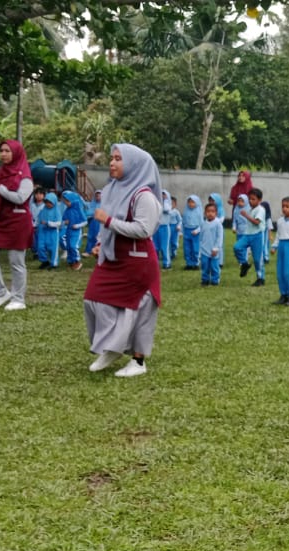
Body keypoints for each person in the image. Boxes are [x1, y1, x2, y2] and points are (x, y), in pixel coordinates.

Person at [84, 143, 164, 378]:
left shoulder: (144, 196)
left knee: (137, 310)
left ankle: (137, 362)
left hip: (137, 262)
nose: (112, 162)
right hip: (113, 257)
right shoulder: (112, 189)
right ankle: (111, 347)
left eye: (119, 159)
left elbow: (144, 229)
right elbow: (105, 224)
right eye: (112, 158)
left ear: (134, 165)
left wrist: (108, 222)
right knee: (93, 299)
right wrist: (101, 242)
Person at [0, 140, 35, 311]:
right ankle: (0, 293)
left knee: (16, 262)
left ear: (16, 153)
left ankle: (18, 299)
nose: (3, 154)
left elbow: (20, 198)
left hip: (18, 222)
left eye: (7, 151)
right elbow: (2, 197)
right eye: (1, 150)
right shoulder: (2, 172)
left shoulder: (25, 177)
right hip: (0, 220)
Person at [234, 189, 266, 285]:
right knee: (237, 247)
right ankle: (244, 264)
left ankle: (260, 278)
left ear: (259, 200)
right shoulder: (250, 209)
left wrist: (246, 216)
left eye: (253, 199)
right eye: (250, 199)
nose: (251, 201)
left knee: (257, 259)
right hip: (247, 234)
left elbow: (256, 222)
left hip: (257, 235)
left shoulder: (261, 209)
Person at [35, 192, 62, 270]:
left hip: (53, 232)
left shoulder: (57, 211)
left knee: (53, 248)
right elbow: (38, 219)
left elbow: (59, 223)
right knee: (40, 247)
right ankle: (44, 261)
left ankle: (54, 264)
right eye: (47, 202)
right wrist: (36, 226)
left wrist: (48, 223)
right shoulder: (43, 209)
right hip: (43, 231)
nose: (48, 204)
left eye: (50, 203)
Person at [61, 191, 87, 271]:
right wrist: (65, 222)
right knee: (68, 246)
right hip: (68, 231)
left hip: (76, 232)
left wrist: (77, 226)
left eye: (68, 201)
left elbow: (85, 221)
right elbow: (63, 219)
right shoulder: (67, 210)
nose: (66, 203)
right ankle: (71, 261)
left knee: (73, 246)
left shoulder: (79, 210)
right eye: (65, 201)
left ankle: (77, 261)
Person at [199, 203, 223, 286]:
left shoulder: (217, 224)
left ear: (216, 213)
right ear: (205, 213)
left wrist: (216, 248)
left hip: (214, 250)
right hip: (204, 249)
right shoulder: (203, 223)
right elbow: (201, 236)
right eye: (208, 211)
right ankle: (205, 279)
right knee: (205, 265)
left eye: (212, 211)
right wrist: (201, 246)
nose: (210, 213)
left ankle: (215, 280)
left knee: (214, 266)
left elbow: (219, 237)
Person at [181, 195, 203, 271]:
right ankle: (189, 263)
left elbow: (202, 224)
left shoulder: (199, 212)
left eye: (193, 202)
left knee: (195, 248)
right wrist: (182, 232)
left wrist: (197, 230)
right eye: (189, 202)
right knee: (187, 248)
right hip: (187, 231)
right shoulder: (186, 211)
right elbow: (183, 222)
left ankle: (196, 263)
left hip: (195, 232)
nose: (191, 204)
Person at [154, 190, 173, 270]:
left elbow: (166, 209)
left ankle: (167, 263)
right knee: (155, 247)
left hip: (165, 227)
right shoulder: (157, 202)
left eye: (164, 194)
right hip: (156, 227)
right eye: (161, 194)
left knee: (164, 247)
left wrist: (165, 200)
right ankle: (155, 263)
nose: (162, 196)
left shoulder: (167, 204)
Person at [84, 190, 102, 256]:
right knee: (91, 236)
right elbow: (88, 213)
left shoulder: (104, 204)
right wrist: (92, 214)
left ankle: (98, 250)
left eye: (99, 196)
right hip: (92, 222)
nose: (98, 197)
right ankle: (88, 250)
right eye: (96, 196)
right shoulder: (92, 204)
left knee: (99, 237)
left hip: (101, 223)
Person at [168, 196, 182, 265]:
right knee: (168, 241)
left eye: (172, 203)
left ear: (175, 204)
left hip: (174, 227)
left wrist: (179, 226)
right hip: (168, 227)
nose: (170, 205)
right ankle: (170, 254)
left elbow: (180, 220)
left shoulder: (176, 212)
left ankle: (174, 251)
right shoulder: (166, 211)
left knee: (174, 241)